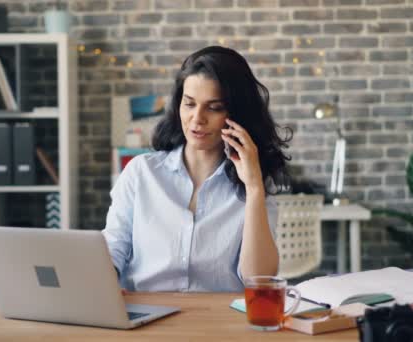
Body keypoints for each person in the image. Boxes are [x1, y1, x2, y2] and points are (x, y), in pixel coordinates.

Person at [102, 46, 292, 292]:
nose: (197, 118)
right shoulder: (141, 173)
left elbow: (259, 281)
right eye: (189, 104)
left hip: (219, 322)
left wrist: (254, 188)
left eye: (214, 108)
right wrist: (101, 284)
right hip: (146, 315)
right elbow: (113, 247)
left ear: (237, 115)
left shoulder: (254, 183)